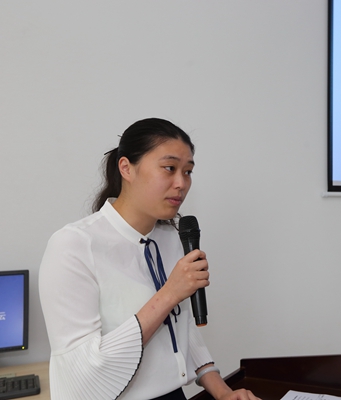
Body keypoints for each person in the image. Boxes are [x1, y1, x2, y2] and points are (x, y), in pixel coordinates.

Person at [39, 118, 259, 400]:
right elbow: (82, 372)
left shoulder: (171, 238)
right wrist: (169, 294)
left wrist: (222, 391)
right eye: (169, 168)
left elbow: (182, 327)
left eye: (188, 171)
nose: (181, 183)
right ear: (126, 168)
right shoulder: (73, 246)